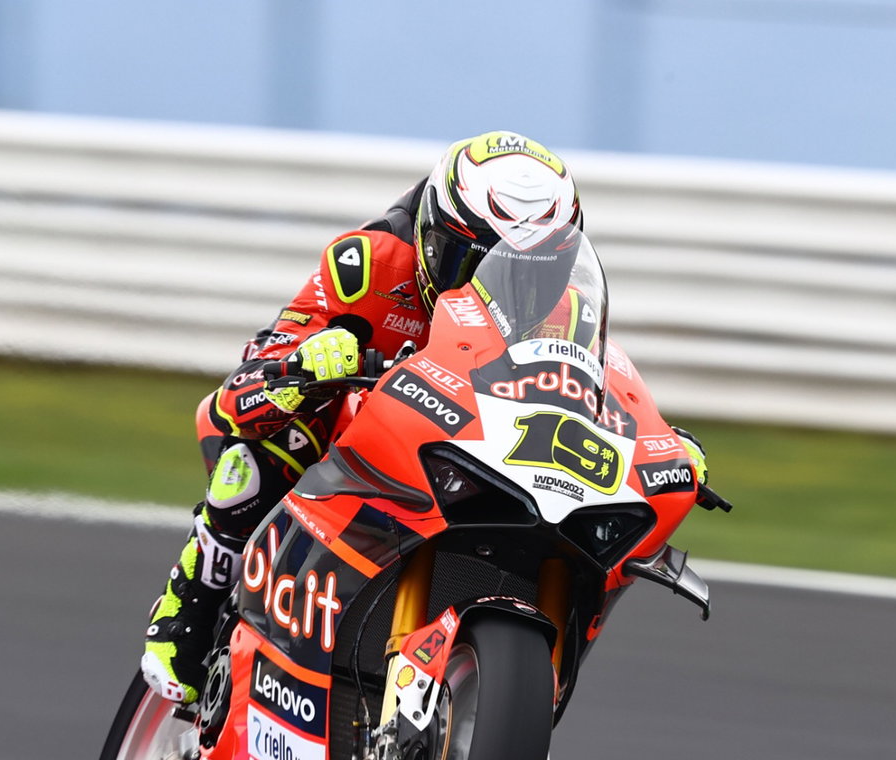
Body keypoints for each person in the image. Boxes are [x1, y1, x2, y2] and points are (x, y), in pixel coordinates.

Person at [141, 130, 708, 705]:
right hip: (363, 435)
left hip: (476, 448)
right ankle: (193, 599)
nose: (508, 285)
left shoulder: (563, 310)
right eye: (476, 262)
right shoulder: (366, 266)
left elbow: (591, 386)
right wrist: (302, 366)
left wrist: (656, 442)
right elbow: (240, 391)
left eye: (532, 271)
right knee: (265, 447)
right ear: (433, 238)